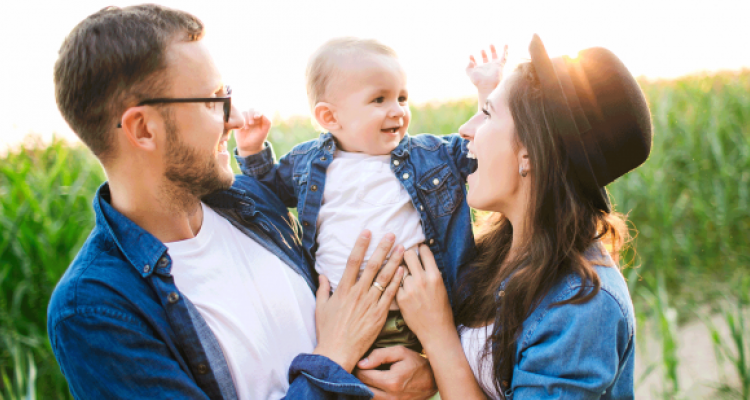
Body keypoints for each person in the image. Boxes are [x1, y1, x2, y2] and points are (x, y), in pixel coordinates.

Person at [47, 5, 435, 399]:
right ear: (144, 129)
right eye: (213, 101)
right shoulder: (95, 309)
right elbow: (340, 345)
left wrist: (422, 370)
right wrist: (334, 357)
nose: (232, 120)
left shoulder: (254, 205)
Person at [382, 34, 651, 399]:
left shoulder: (582, 306)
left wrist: (438, 336)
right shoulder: (505, 249)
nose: (464, 129)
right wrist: (431, 371)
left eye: (487, 114)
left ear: (529, 154)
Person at [235, 38, 484, 353]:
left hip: (418, 314)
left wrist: (487, 93)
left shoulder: (428, 155)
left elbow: (476, 152)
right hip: (339, 318)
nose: (397, 110)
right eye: (379, 99)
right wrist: (252, 150)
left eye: (402, 98)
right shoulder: (308, 164)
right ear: (329, 118)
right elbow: (265, 194)